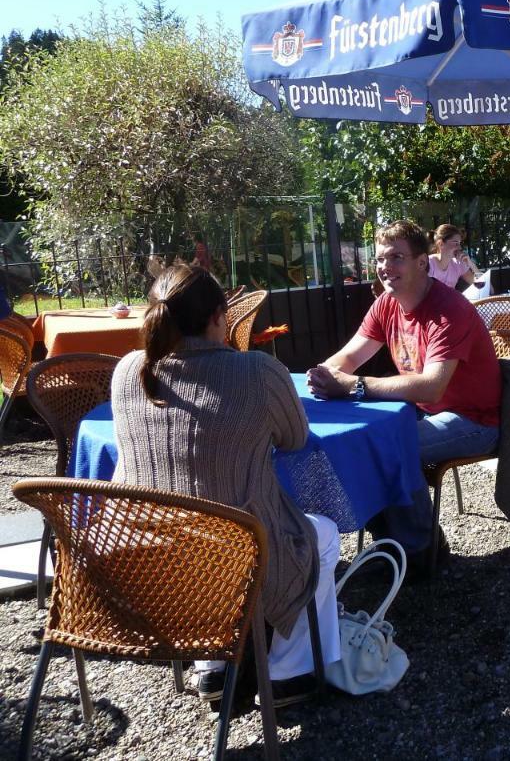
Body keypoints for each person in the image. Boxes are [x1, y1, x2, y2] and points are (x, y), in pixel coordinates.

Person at [110, 263, 340, 708]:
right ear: (220, 316)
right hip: (234, 552)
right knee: (322, 536)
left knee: (195, 536)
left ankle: (212, 666)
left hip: (145, 561)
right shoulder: (256, 372)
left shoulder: (126, 372)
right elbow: (295, 439)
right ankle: (290, 672)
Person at [307, 220, 501, 559]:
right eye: (381, 259)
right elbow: (351, 355)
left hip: (475, 421)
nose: (385, 267)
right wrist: (322, 374)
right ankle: (390, 544)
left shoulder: (449, 310)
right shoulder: (386, 304)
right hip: (425, 411)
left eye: (396, 257)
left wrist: (353, 386)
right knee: (356, 443)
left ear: (422, 263)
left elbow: (431, 386)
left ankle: (422, 551)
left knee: (389, 448)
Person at [427, 223, 480, 290]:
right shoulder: (429, 264)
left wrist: (471, 264)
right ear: (441, 244)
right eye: (455, 243)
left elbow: (485, 287)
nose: (460, 247)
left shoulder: (458, 264)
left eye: (459, 243)